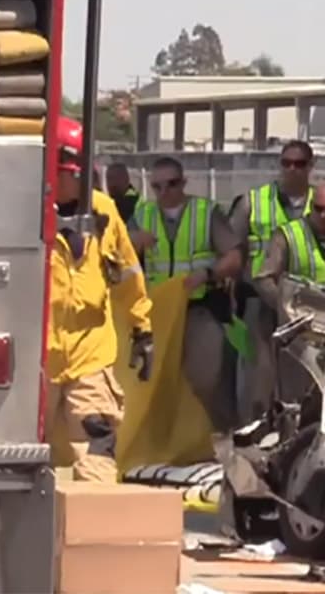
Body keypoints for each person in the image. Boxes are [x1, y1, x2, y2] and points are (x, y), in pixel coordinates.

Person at [47, 116, 154, 483]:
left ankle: (91, 532)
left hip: (90, 354)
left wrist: (143, 330)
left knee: (97, 447)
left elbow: (128, 274)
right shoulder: (25, 211)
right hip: (36, 360)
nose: (82, 179)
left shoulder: (104, 211)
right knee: (19, 457)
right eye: (73, 172)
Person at [127, 156, 244, 442]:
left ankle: (224, 440)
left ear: (184, 183)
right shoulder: (143, 215)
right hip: (158, 311)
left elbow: (235, 256)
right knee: (156, 382)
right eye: (157, 186)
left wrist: (208, 273)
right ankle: (161, 445)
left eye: (172, 184)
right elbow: (116, 256)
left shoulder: (205, 212)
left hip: (200, 308)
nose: (165, 191)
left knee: (206, 379)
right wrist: (133, 242)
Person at [229, 140, 318, 423]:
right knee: (258, 370)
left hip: (306, 305)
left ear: (310, 167)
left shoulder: (324, 204)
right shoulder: (253, 202)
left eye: (299, 164)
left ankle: (299, 426)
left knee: (304, 370)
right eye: (286, 163)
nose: (292, 169)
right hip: (258, 300)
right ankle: (253, 426)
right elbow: (232, 247)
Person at [253, 185, 325, 309]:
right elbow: (264, 280)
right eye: (318, 209)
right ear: (311, 206)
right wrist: (285, 308)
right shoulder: (288, 235)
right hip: (300, 318)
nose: (323, 216)